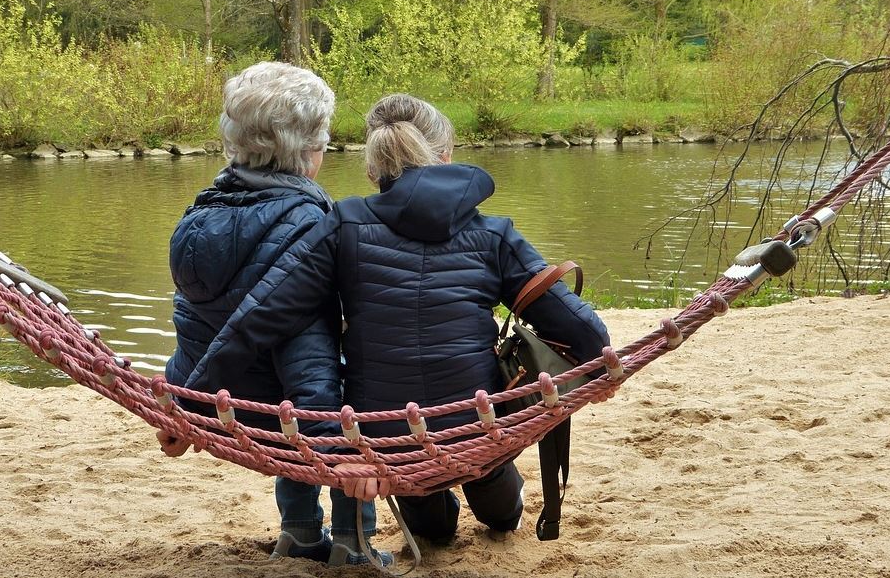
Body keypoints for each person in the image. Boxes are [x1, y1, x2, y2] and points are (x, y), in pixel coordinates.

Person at [190, 93, 612, 542]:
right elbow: (578, 326)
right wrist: (601, 366)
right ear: (446, 156)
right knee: (500, 507)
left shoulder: (343, 223)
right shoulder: (494, 234)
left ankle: (444, 502)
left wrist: (190, 402)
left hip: (387, 437)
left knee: (432, 531)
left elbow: (262, 315)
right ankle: (491, 487)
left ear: (373, 168)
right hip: (477, 422)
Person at [157, 61, 391, 567]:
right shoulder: (311, 224)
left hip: (219, 399)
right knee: (359, 384)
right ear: (308, 151)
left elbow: (196, 322)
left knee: (292, 392)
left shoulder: (199, 214)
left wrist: (182, 401)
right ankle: (355, 542)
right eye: (322, 139)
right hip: (283, 409)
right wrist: (337, 454)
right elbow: (310, 356)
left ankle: (300, 531)